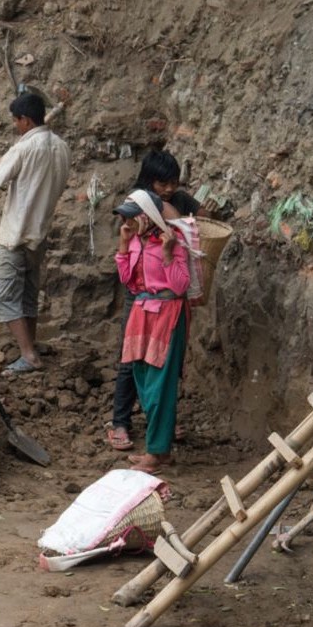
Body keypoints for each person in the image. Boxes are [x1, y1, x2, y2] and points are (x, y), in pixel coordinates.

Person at [0, 88, 70, 373]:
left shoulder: (24, 148)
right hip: (39, 233)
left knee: (2, 294)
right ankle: (30, 345)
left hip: (16, 236)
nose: (15, 126)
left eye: (15, 120)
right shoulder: (61, 147)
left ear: (25, 120)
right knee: (27, 294)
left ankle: (28, 355)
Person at [109, 152, 203, 451]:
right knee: (133, 362)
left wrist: (168, 248)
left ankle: (160, 426)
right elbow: (128, 277)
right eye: (164, 183)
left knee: (162, 370)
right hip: (140, 301)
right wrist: (125, 245)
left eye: (175, 183)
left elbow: (180, 279)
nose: (170, 189)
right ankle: (121, 421)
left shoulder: (168, 230)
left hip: (166, 306)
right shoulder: (138, 213)